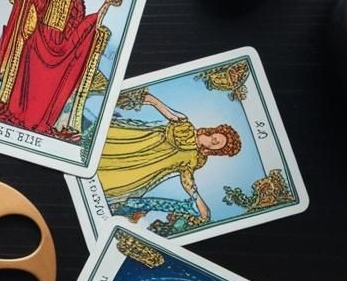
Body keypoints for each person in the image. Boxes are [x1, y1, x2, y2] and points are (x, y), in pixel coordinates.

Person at [0, 0, 120, 137]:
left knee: (47, 88)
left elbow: (79, 28)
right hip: (37, 42)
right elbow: (31, 11)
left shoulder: (77, 2)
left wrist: (105, 5)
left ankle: (37, 120)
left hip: (59, 49)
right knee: (28, 83)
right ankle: (19, 113)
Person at [98, 92, 241, 225]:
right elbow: (159, 105)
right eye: (216, 138)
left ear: (216, 151)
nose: (214, 142)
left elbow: (187, 179)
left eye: (218, 145)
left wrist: (198, 200)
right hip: (138, 143)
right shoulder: (185, 124)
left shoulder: (198, 159)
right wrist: (144, 98)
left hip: (145, 169)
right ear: (213, 132)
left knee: (111, 181)